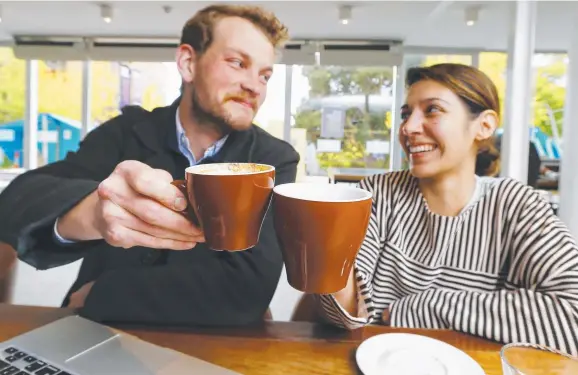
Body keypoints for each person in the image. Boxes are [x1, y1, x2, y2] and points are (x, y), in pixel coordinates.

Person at [0, 4, 299, 326]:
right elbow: (15, 204)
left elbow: (246, 291)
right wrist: (89, 213)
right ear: (188, 63)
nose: (255, 86)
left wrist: (104, 292)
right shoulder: (126, 132)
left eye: (265, 75)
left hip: (209, 342)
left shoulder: (274, 159)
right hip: (99, 334)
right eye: (238, 63)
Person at [315, 63, 578, 355]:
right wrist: (327, 257)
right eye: (406, 114)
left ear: (485, 125)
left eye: (432, 110)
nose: (409, 128)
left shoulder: (517, 206)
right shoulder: (377, 194)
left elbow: (573, 315)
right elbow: (344, 318)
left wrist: (420, 307)